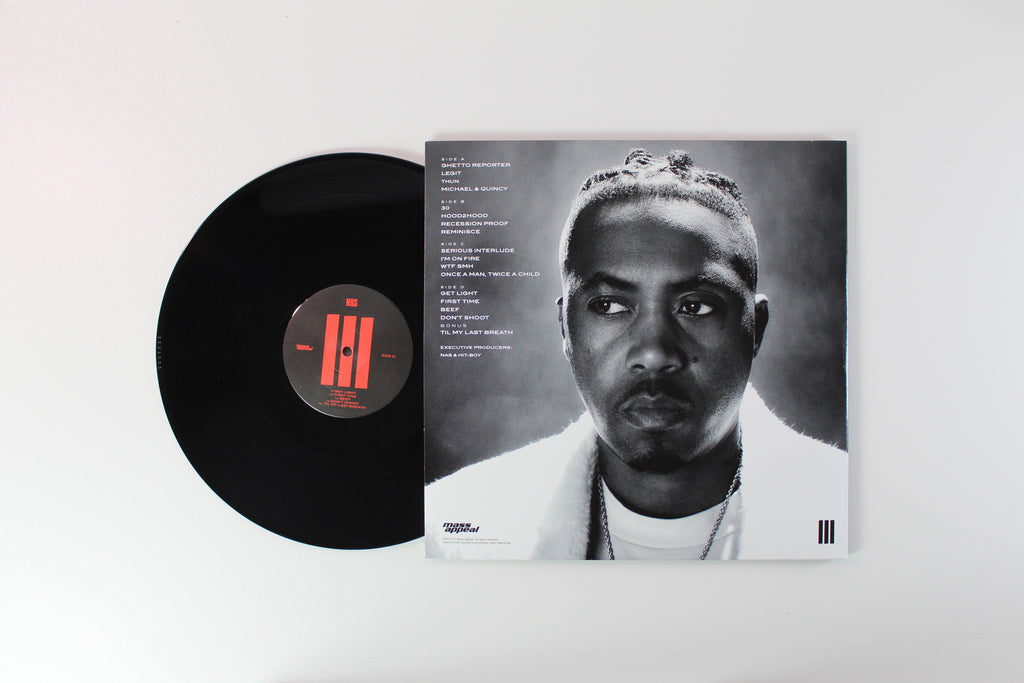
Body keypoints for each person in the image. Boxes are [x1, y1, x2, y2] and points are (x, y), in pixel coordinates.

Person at [426, 149, 847, 560]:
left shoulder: (851, 508)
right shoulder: (453, 529)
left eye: (695, 306)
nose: (654, 353)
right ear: (565, 329)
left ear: (756, 328)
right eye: (609, 306)